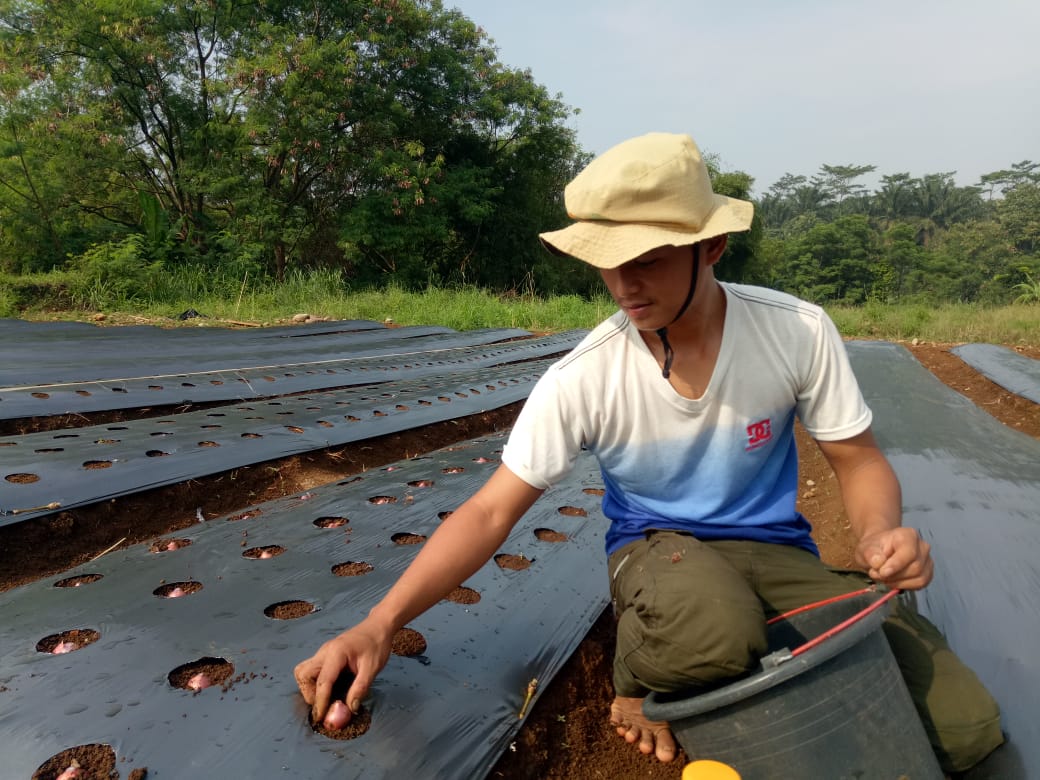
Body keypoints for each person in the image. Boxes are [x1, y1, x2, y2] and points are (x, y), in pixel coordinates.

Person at [295, 132, 1003, 773]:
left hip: (779, 555)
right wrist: (379, 623)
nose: (625, 285)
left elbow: (857, 459)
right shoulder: (585, 376)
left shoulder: (796, 332)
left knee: (967, 730)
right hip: (657, 553)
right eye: (609, 263)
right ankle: (635, 674)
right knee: (715, 631)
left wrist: (879, 533)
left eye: (650, 260)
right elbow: (488, 513)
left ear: (712, 248)